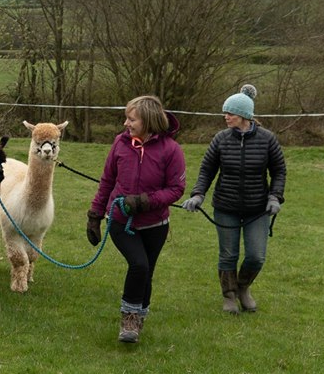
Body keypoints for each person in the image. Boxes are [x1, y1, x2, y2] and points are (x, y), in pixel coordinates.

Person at [86, 96, 186, 343]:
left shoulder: (171, 150)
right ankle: (129, 318)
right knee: (139, 265)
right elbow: (107, 181)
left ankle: (139, 317)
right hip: (121, 220)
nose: (126, 123)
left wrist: (144, 201)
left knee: (147, 271)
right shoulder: (120, 144)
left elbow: (176, 188)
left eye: (132, 119)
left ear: (148, 121)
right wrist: (95, 215)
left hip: (155, 224)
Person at [181, 84, 286, 314]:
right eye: (225, 112)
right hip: (225, 207)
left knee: (256, 256)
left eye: (230, 113)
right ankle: (229, 295)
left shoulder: (268, 139)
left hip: (257, 209)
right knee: (228, 254)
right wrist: (198, 194)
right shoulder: (221, 139)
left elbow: (279, 171)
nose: (225, 117)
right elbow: (207, 170)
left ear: (245, 116)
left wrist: (275, 197)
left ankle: (243, 288)